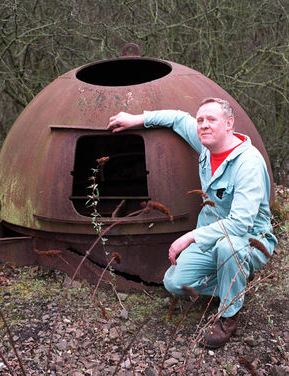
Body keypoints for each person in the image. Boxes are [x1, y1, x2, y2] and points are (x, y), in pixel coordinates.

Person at [107, 98, 277, 349]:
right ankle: (233, 284)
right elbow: (176, 118)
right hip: (212, 235)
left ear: (229, 124)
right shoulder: (206, 145)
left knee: (227, 248)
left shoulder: (247, 164)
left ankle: (229, 314)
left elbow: (240, 225)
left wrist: (190, 237)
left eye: (212, 120)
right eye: (200, 120)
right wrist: (137, 119)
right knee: (174, 282)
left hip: (249, 239)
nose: (204, 125)